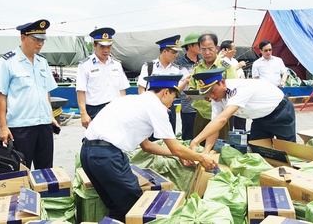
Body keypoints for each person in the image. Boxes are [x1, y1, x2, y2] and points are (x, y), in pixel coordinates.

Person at [80, 74, 217, 222]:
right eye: (173, 96)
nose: (172, 102)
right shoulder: (156, 107)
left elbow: (147, 146)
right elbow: (176, 148)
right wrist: (201, 157)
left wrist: (179, 155)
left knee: (116, 208)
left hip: (88, 153)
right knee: (138, 210)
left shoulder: (132, 100)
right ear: (165, 92)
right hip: (107, 157)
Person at [0, 19, 60, 169]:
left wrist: (50, 116)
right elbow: (1, 96)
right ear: (23, 37)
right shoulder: (7, 62)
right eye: (36, 39)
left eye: (42, 40)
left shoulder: (42, 62)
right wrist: (3, 126)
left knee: (46, 170)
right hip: (21, 127)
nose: (40, 43)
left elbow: (46, 92)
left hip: (43, 125)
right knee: (21, 171)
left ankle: (42, 194)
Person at [189, 68, 296, 154]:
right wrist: (206, 151)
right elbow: (214, 126)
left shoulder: (238, 88)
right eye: (207, 94)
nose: (211, 96)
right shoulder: (217, 99)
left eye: (212, 91)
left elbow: (222, 119)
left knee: (288, 151)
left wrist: (195, 141)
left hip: (280, 112)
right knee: (258, 151)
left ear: (222, 82)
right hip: (260, 118)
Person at [188, 33, 238, 143]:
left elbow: (235, 91)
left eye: (210, 49)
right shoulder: (197, 68)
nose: (207, 53)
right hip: (201, 114)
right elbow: (191, 88)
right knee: (199, 147)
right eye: (203, 49)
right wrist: (196, 94)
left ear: (216, 48)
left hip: (220, 116)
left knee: (220, 148)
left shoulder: (226, 67)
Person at [76, 27, 130, 128]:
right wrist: (83, 114)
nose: (106, 50)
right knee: (97, 141)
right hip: (95, 110)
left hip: (115, 108)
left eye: (109, 47)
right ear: (94, 46)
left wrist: (124, 109)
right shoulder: (85, 65)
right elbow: (81, 91)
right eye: (102, 47)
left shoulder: (116, 65)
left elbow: (122, 89)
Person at [137, 35, 190, 134]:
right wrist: (148, 106)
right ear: (164, 52)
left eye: (177, 52)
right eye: (173, 52)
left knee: (169, 135)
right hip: (151, 108)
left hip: (169, 107)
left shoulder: (175, 69)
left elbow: (176, 90)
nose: (176, 55)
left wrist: (185, 81)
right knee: (151, 138)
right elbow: (141, 89)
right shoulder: (149, 66)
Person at [174, 32, 202, 140]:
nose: (201, 47)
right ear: (190, 46)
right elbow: (184, 89)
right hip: (189, 108)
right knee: (189, 137)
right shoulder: (179, 65)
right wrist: (204, 95)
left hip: (204, 108)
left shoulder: (204, 62)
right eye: (198, 44)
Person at [219, 40, 247, 131]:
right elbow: (225, 75)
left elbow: (241, 74)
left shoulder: (234, 60)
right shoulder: (221, 61)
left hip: (239, 92)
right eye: (234, 49)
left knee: (241, 120)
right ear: (227, 50)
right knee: (230, 120)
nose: (235, 51)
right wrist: (238, 66)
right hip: (229, 93)